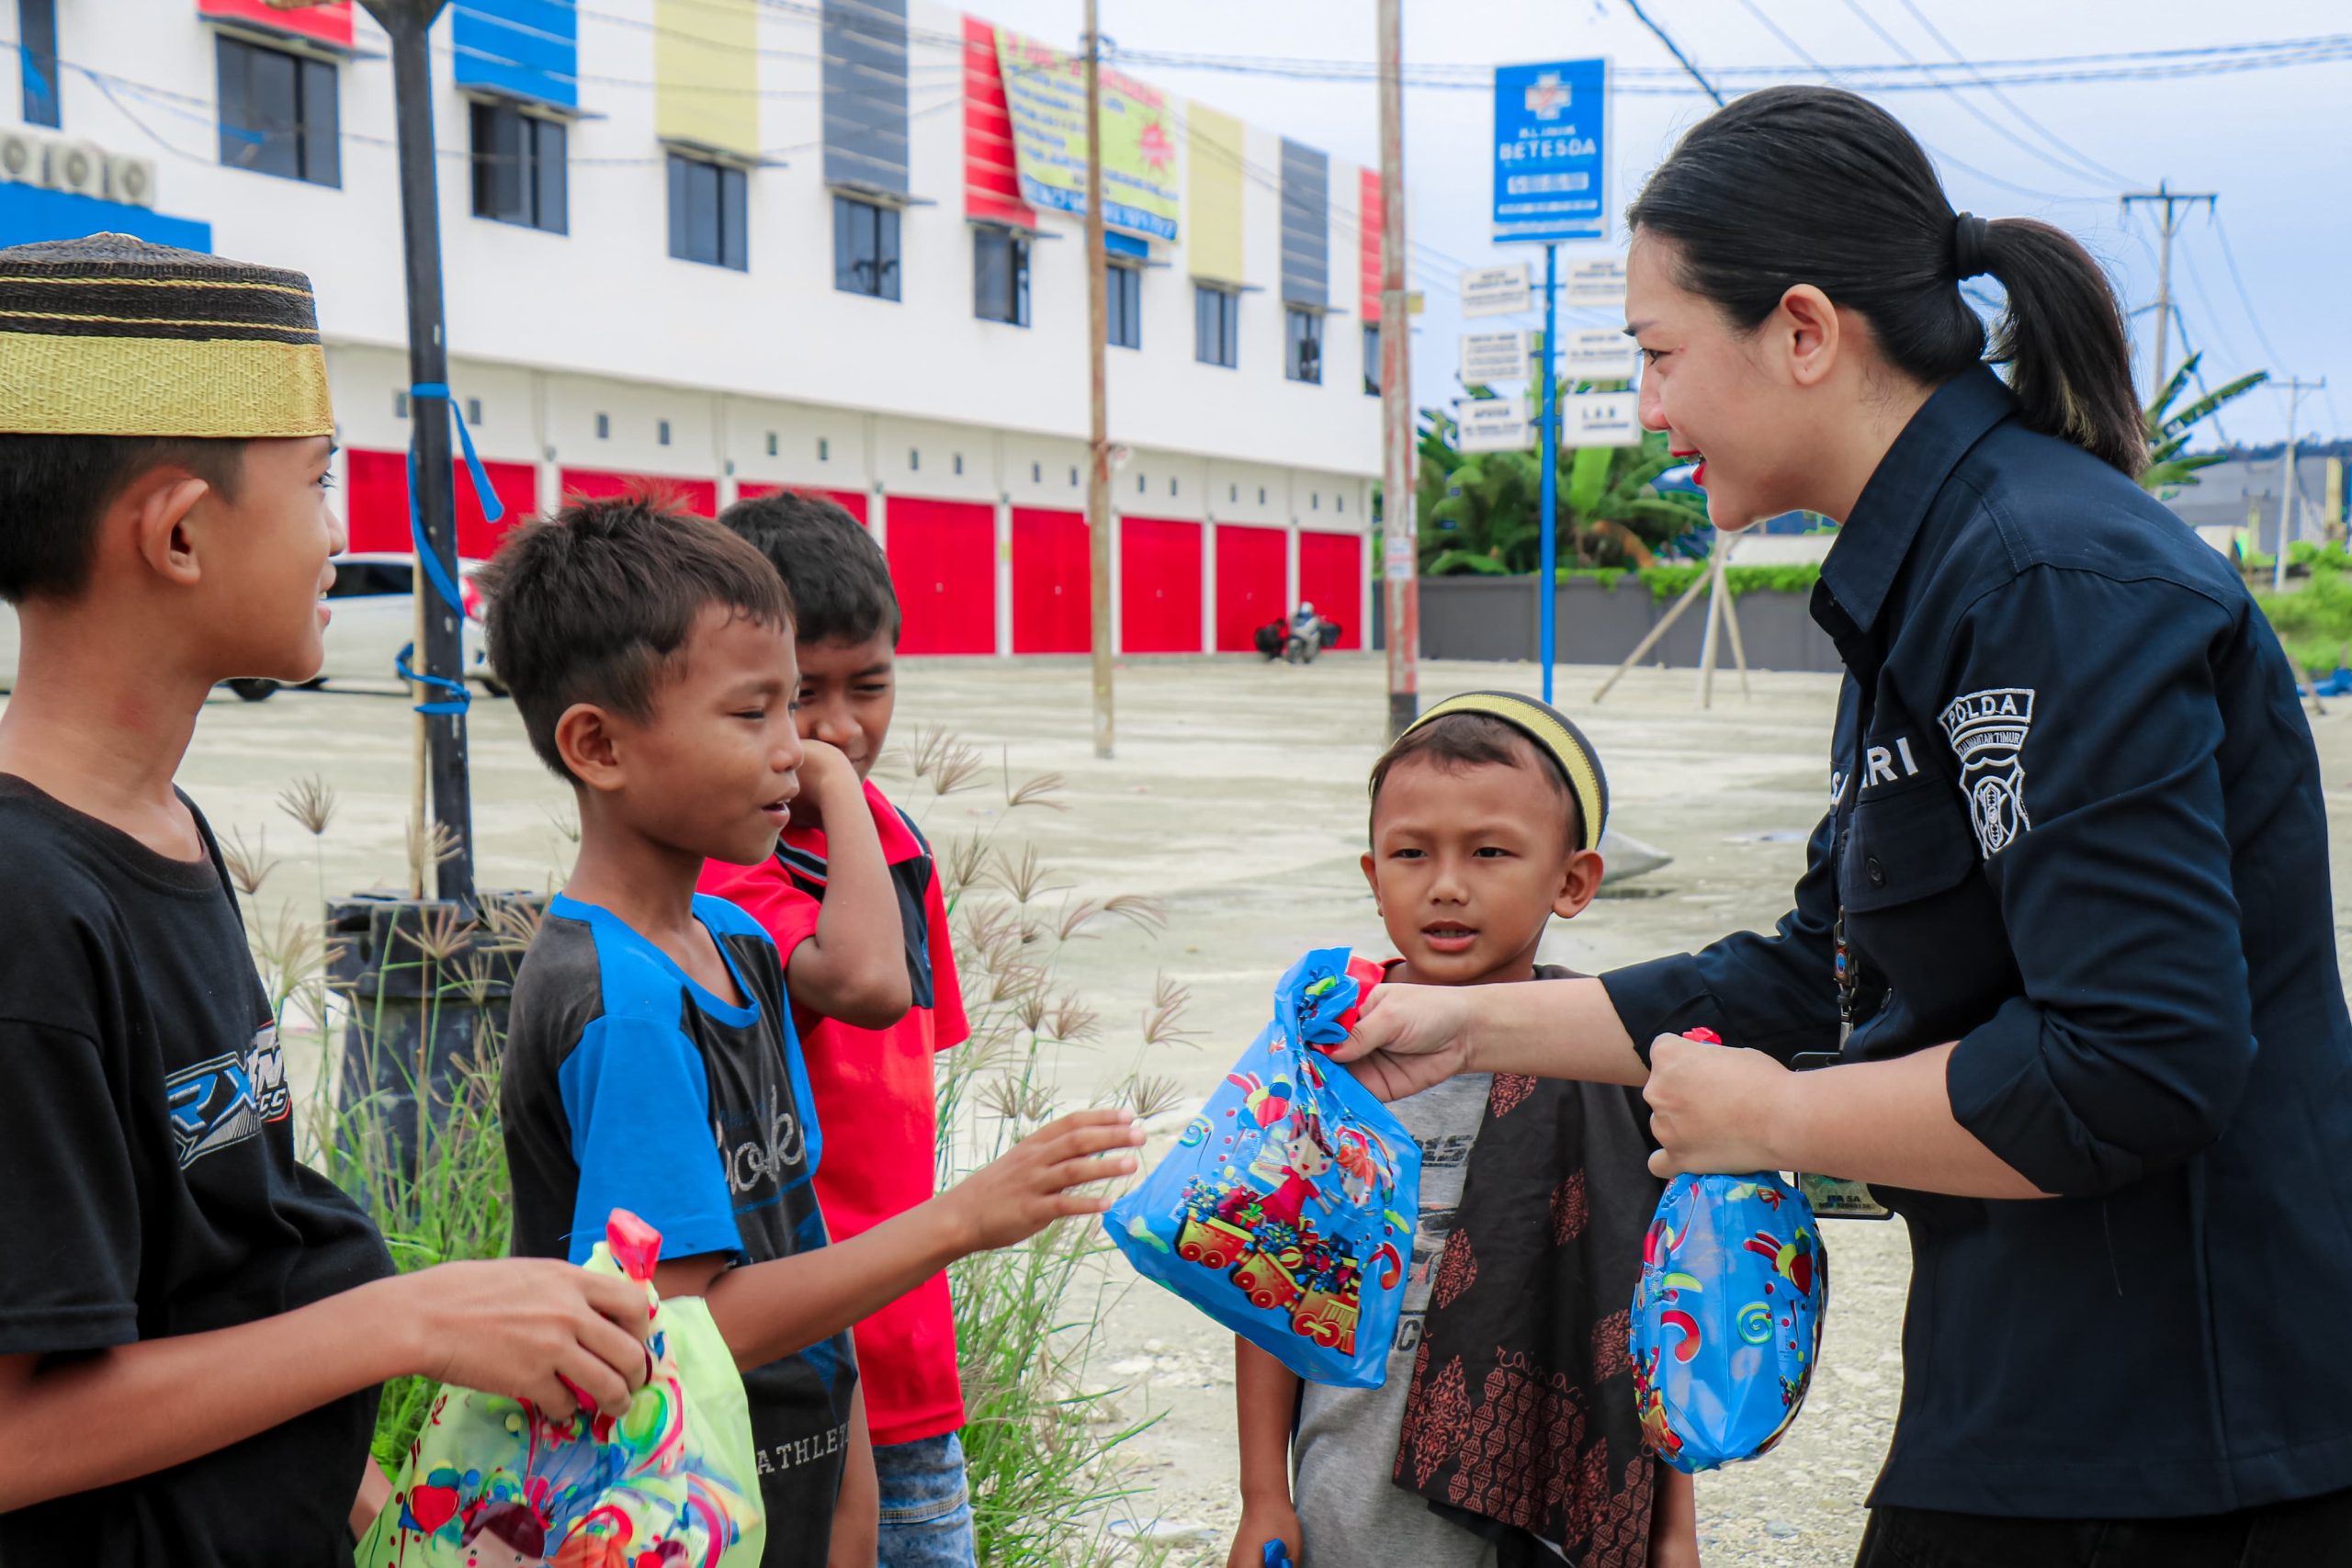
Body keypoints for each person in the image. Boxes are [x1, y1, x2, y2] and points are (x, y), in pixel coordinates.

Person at [1336, 86, 2352, 1565]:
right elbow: (1821, 971)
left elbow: (2139, 1060)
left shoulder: (2040, 580)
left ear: (1803, 331)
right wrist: (1456, 1024)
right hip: (2036, 1382)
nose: (1651, 410)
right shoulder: (1929, 579)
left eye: (1659, 353)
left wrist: (1780, 1118)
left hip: (2188, 1431)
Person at [0, 235, 655, 1563]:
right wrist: (410, 1319)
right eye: (318, 481)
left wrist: (399, 1527)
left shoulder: (164, 830)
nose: (339, 533)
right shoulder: (23, 910)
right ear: (178, 532)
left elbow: (225, 1275)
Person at [481, 493, 1146, 1568]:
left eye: (790, 708)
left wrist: (851, 1509)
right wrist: (958, 1220)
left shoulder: (739, 943)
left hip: (798, 1491)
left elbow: (801, 1241)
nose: (799, 749)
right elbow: (679, 1335)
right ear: (597, 745)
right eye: (755, 715)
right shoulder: (626, 1006)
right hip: (666, 1517)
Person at [1229, 693, 1697, 1568]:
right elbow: (1270, 1285)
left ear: (1572, 880)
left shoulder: (1611, 1062)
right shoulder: (1333, 1057)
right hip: (1353, 1507)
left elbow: (1648, 1314)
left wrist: (1672, 1531)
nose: (1446, 884)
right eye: (1411, 853)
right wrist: (1264, 1496)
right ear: (1373, 874)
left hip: (1555, 1511)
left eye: (1489, 851)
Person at [695, 491, 982, 1568]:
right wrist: (831, 786)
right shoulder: (727, 870)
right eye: (796, 696)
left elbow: (908, 1071)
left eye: (869, 685)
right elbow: (861, 982)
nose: (839, 730)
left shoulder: (894, 841)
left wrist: (854, 808)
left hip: (908, 1354)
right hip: (791, 1355)